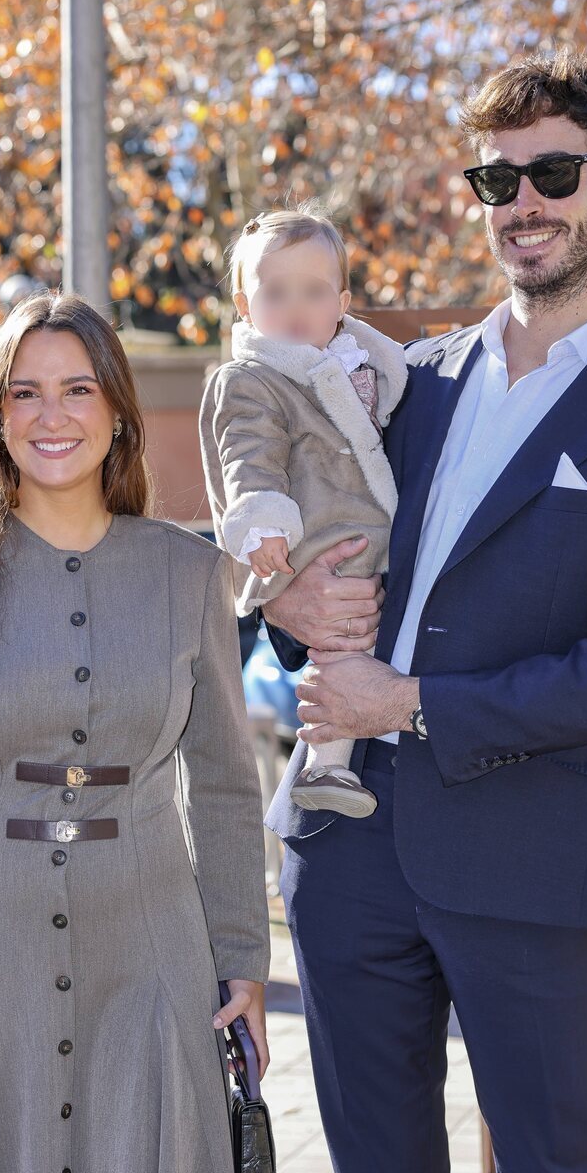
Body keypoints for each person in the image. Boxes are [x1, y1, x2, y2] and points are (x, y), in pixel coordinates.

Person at [259, 49, 587, 1173]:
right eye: (497, 179)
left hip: (528, 869)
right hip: (346, 858)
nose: (523, 202)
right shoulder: (405, 384)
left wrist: (408, 700)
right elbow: (308, 547)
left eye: (554, 173)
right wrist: (280, 610)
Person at [0, 289, 270, 1173]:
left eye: (78, 389)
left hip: (152, 949)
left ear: (118, 411)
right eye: (26, 393)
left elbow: (221, 782)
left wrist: (241, 958)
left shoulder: (189, 572)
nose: (53, 416)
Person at [199, 200, 407, 819]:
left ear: (343, 302)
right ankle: (325, 767)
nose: (295, 308)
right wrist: (262, 520)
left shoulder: (359, 366)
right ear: (244, 304)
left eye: (314, 291)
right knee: (341, 643)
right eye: (275, 291)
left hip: (369, 536)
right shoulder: (252, 380)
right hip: (320, 542)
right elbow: (249, 452)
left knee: (359, 648)